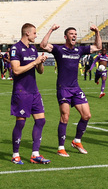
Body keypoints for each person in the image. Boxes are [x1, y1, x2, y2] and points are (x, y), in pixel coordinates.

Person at [40, 24, 102, 157]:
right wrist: (51, 30)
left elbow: (98, 47)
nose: (74, 36)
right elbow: (43, 45)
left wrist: (97, 32)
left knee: (87, 115)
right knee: (65, 117)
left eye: (75, 34)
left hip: (75, 88)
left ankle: (77, 140)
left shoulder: (79, 50)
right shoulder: (58, 49)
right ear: (65, 37)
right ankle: (61, 147)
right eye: (71, 34)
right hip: (63, 88)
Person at [10, 23, 50, 164]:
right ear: (27, 33)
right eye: (34, 33)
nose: (36, 35)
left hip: (34, 92)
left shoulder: (33, 49)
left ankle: (35, 154)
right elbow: (16, 70)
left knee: (41, 121)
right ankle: (15, 155)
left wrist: (40, 62)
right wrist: (34, 62)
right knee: (21, 123)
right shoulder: (16, 48)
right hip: (21, 92)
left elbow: (40, 71)